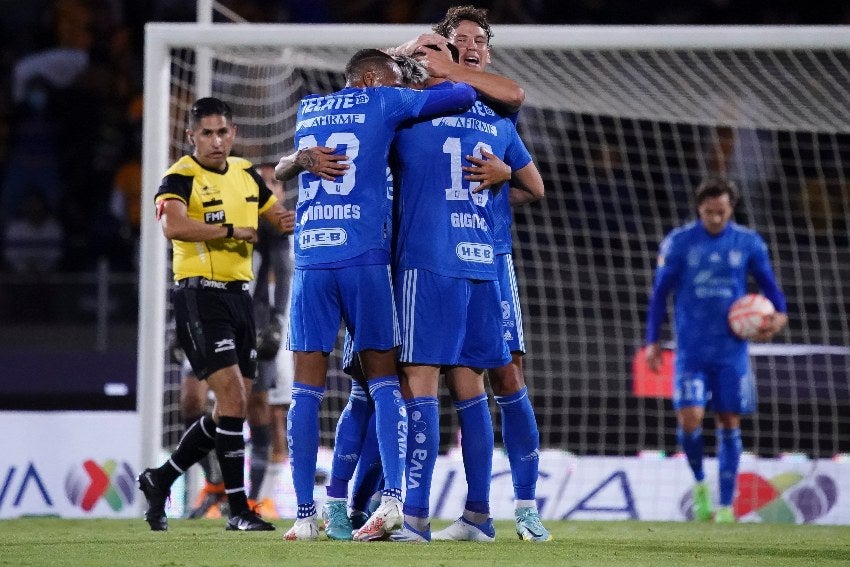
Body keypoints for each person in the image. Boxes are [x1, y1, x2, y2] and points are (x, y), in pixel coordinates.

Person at [275, 48, 477, 542]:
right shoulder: (382, 102)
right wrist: (431, 66)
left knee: (306, 391)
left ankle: (306, 516)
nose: (396, 87)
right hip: (365, 260)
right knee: (382, 382)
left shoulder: (309, 109)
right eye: (388, 80)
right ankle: (391, 500)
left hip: (310, 262)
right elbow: (463, 93)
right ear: (369, 79)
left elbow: (284, 168)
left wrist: (296, 160)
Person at [398, 5, 551, 542]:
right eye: (456, 38)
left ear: (485, 51)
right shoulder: (417, 104)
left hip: (490, 259)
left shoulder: (497, 111)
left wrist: (505, 174)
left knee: (504, 376)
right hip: (433, 255)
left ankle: (526, 506)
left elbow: (534, 184)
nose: (469, 44)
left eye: (476, 40)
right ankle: (432, 510)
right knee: (417, 381)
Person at [137, 96, 295, 532]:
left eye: (222, 132)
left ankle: (160, 478)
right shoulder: (180, 176)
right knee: (232, 402)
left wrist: (300, 211)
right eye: (206, 133)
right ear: (192, 137)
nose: (216, 140)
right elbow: (172, 226)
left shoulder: (245, 174)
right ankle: (239, 509)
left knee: (233, 410)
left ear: (233, 134)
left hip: (241, 300)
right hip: (199, 297)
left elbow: (277, 217)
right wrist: (229, 230)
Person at [644, 176, 788, 523]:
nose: (715, 219)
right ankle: (698, 484)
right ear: (699, 209)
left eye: (721, 212)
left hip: (731, 351)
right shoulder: (679, 243)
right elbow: (660, 294)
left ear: (730, 209)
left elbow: (770, 287)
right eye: (709, 212)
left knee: (729, 421)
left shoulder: (748, 243)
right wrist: (652, 341)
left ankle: (725, 507)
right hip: (691, 350)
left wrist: (778, 316)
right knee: (690, 419)